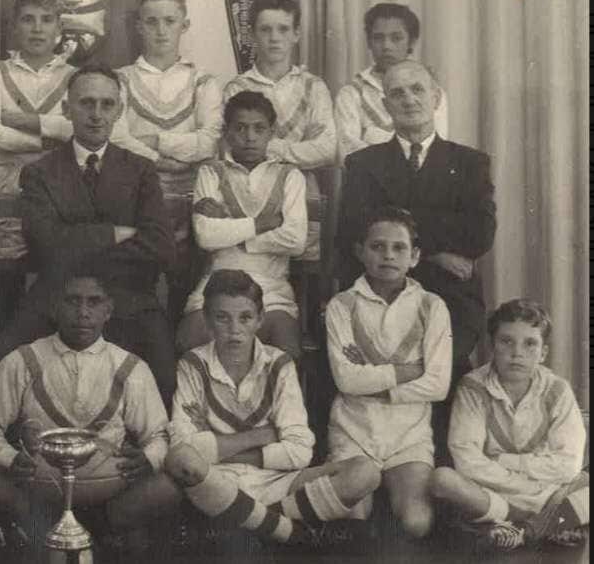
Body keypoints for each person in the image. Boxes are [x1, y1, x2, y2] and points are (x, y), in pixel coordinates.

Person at [336, 59, 496, 454]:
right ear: (386, 105)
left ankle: (444, 473)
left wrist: (398, 219)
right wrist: (437, 254)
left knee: (447, 369)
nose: (408, 99)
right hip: (383, 295)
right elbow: (354, 235)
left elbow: (479, 234)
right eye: (397, 93)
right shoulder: (363, 163)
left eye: (417, 89)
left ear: (436, 96)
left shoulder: (470, 162)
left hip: (452, 297)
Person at [0, 65, 177, 406]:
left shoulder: (140, 170)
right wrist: (113, 233)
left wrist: (74, 241)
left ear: (119, 111)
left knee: (166, 374)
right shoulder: (39, 172)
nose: (96, 115)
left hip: (128, 296)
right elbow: (46, 246)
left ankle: (150, 451)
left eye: (107, 105)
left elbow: (162, 246)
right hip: (55, 296)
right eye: (86, 103)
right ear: (66, 109)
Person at [0, 270, 181, 557]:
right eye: (72, 301)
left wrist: (149, 459)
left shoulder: (131, 367)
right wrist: (10, 458)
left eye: (94, 302)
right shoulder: (21, 360)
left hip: (106, 487)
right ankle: (43, 525)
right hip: (42, 484)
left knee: (169, 485)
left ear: (108, 310)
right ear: (55, 308)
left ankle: (102, 528)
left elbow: (158, 434)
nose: (83, 312)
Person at [166, 269, 381, 549]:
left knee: (366, 472)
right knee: (180, 458)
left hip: (278, 483)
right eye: (222, 318)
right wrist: (261, 436)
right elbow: (185, 445)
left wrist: (222, 449)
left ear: (260, 319)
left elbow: (301, 451)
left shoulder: (279, 364)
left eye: (245, 317)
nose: (234, 330)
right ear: (207, 320)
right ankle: (292, 533)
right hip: (219, 483)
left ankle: (252, 524)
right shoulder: (192, 365)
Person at [326, 206, 452, 538]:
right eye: (377, 246)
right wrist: (409, 371)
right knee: (352, 522)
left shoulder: (432, 306)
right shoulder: (342, 305)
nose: (388, 256)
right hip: (354, 430)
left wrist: (376, 381)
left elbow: (438, 385)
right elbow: (346, 380)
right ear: (360, 251)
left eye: (399, 248)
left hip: (408, 436)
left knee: (416, 522)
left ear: (415, 256)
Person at [431, 299, 588, 551]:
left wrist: (506, 462)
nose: (517, 353)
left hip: (548, 491)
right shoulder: (473, 388)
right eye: (506, 341)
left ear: (543, 353)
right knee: (442, 479)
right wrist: (523, 486)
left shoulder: (558, 390)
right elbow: (467, 459)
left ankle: (521, 530)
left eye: (530, 343)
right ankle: (548, 523)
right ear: (492, 346)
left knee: (583, 482)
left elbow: (568, 463)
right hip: (494, 494)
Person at [116, 0, 224, 326]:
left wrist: (155, 142)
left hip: (192, 203)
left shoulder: (204, 81)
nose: (161, 30)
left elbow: (208, 142)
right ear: (138, 25)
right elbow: (117, 139)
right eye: (151, 21)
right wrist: (174, 152)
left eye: (170, 21)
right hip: (138, 199)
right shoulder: (121, 80)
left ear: (184, 25)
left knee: (186, 290)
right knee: (137, 290)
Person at [0, 0, 77, 334]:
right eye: (28, 20)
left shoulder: (73, 77)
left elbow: (79, 132)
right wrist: (49, 139)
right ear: (15, 27)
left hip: (60, 192)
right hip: (8, 189)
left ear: (59, 28)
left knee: (58, 283)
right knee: (8, 287)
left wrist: (21, 121)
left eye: (46, 20)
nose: (37, 28)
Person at [175, 91, 307, 360]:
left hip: (272, 287)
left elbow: (295, 240)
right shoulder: (210, 172)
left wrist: (234, 230)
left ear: (272, 133)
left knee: (286, 351)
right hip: (216, 282)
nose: (250, 137)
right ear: (227, 133)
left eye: (259, 129)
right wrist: (261, 223)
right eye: (240, 128)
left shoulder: (290, 175)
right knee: (190, 340)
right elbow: (206, 236)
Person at [222, 0, 336, 170]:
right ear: (252, 34)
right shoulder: (237, 88)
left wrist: (265, 147)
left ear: (296, 34)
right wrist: (304, 145)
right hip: (249, 184)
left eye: (283, 29)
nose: (274, 38)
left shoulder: (313, 87)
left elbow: (327, 150)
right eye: (265, 29)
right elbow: (230, 149)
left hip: (305, 190)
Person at [334, 3, 449, 162]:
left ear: (412, 42)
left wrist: (371, 136)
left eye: (396, 38)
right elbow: (347, 155)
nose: (386, 46)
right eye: (378, 38)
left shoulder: (432, 91)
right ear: (369, 42)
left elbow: (435, 150)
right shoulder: (351, 94)